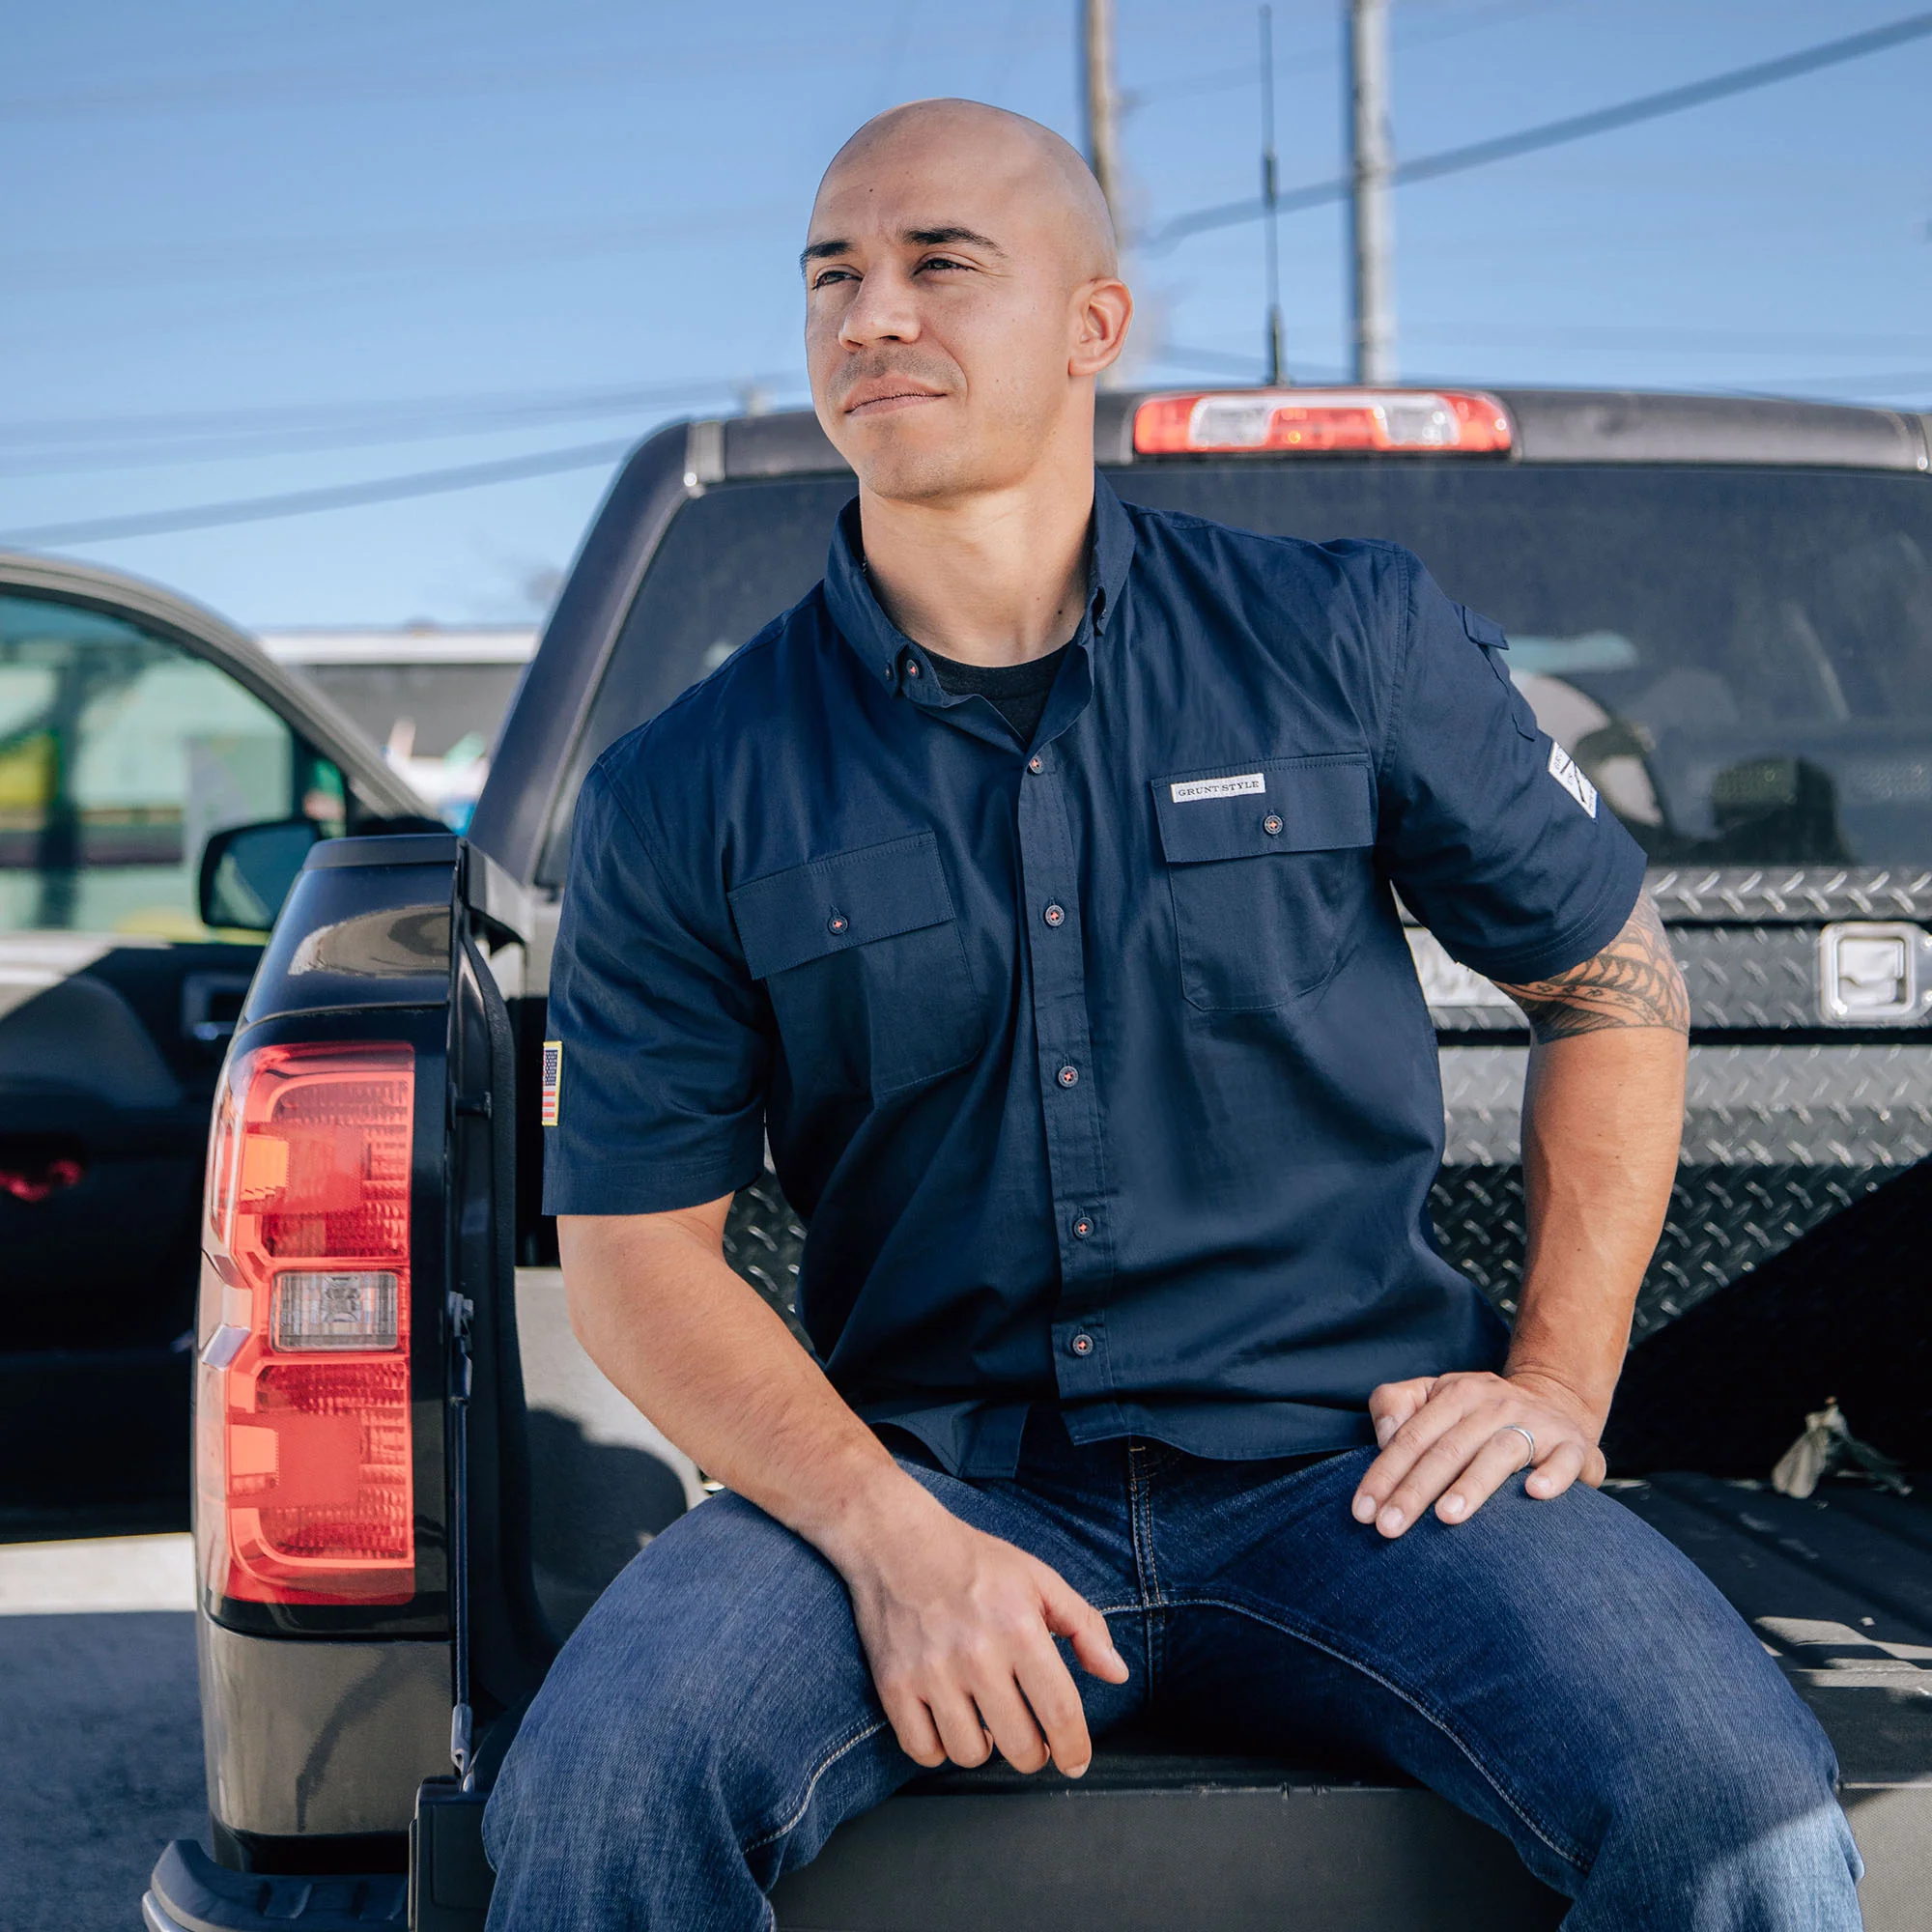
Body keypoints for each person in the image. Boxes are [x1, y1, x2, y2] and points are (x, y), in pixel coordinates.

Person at [485, 99, 1862, 1931]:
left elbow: (1614, 985)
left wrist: (1556, 1383)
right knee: (595, 1794)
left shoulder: (1342, 638)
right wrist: (895, 1548)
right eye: (834, 274)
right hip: (930, 1476)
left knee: (1737, 1807)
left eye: (939, 264)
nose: (870, 314)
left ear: (1093, 327)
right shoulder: (689, 786)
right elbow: (637, 1254)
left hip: (1359, 1477)